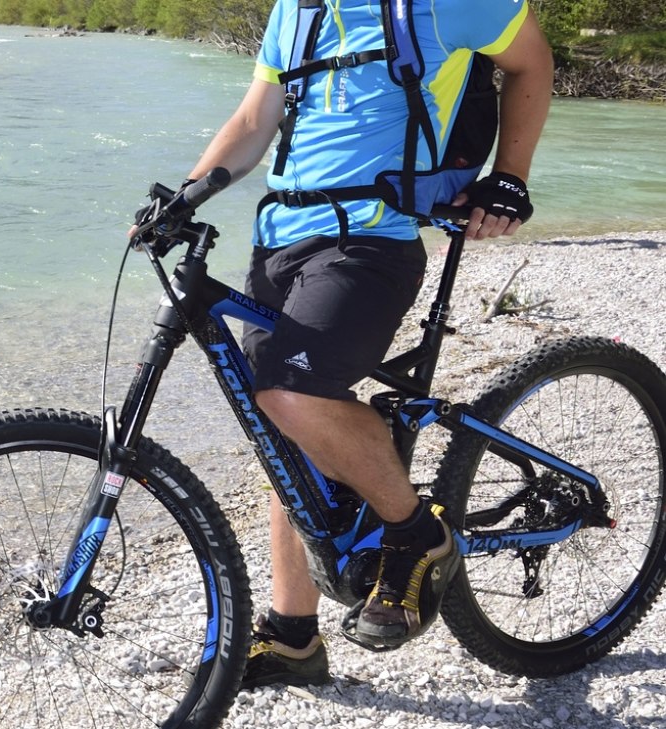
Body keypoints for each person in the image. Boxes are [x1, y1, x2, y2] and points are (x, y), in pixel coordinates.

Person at [150, 0, 554, 689]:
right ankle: (291, 637)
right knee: (283, 431)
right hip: (279, 239)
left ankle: (416, 533)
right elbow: (254, 119)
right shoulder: (297, 10)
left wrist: (509, 175)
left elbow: (532, 62)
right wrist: (187, 194)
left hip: (372, 240)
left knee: (288, 389)